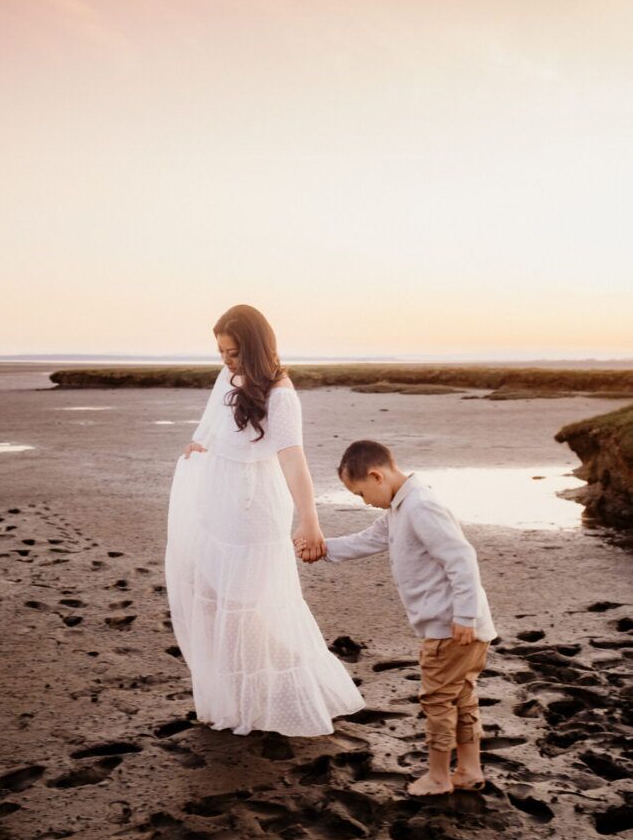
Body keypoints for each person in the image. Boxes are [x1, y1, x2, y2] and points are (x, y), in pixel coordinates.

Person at [165, 305, 365, 736]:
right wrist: (202, 448)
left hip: (253, 510)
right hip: (217, 503)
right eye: (220, 351)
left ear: (255, 349)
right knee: (215, 597)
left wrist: (310, 521)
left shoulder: (281, 395)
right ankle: (239, 696)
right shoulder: (229, 379)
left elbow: (293, 460)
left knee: (246, 607)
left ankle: (279, 695)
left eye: (233, 353)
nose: (225, 361)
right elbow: (217, 430)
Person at [296, 439, 497, 795]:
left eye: (360, 493)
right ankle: (468, 770)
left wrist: (464, 616)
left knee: (437, 700)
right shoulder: (399, 509)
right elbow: (366, 541)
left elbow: (461, 558)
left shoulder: (420, 506)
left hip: (452, 628)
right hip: (459, 627)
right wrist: (319, 550)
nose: (363, 501)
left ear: (376, 475)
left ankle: (438, 777)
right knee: (462, 696)